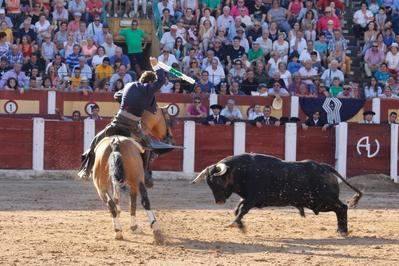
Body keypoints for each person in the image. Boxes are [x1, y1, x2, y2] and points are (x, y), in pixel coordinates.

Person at [78, 57, 174, 188]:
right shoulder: (148, 92)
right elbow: (161, 80)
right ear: (150, 83)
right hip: (132, 127)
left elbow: (116, 95)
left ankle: (86, 169)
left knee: (96, 140)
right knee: (148, 147)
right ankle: (145, 173)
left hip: (117, 123)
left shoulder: (129, 86)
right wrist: (156, 66)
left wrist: (126, 101)